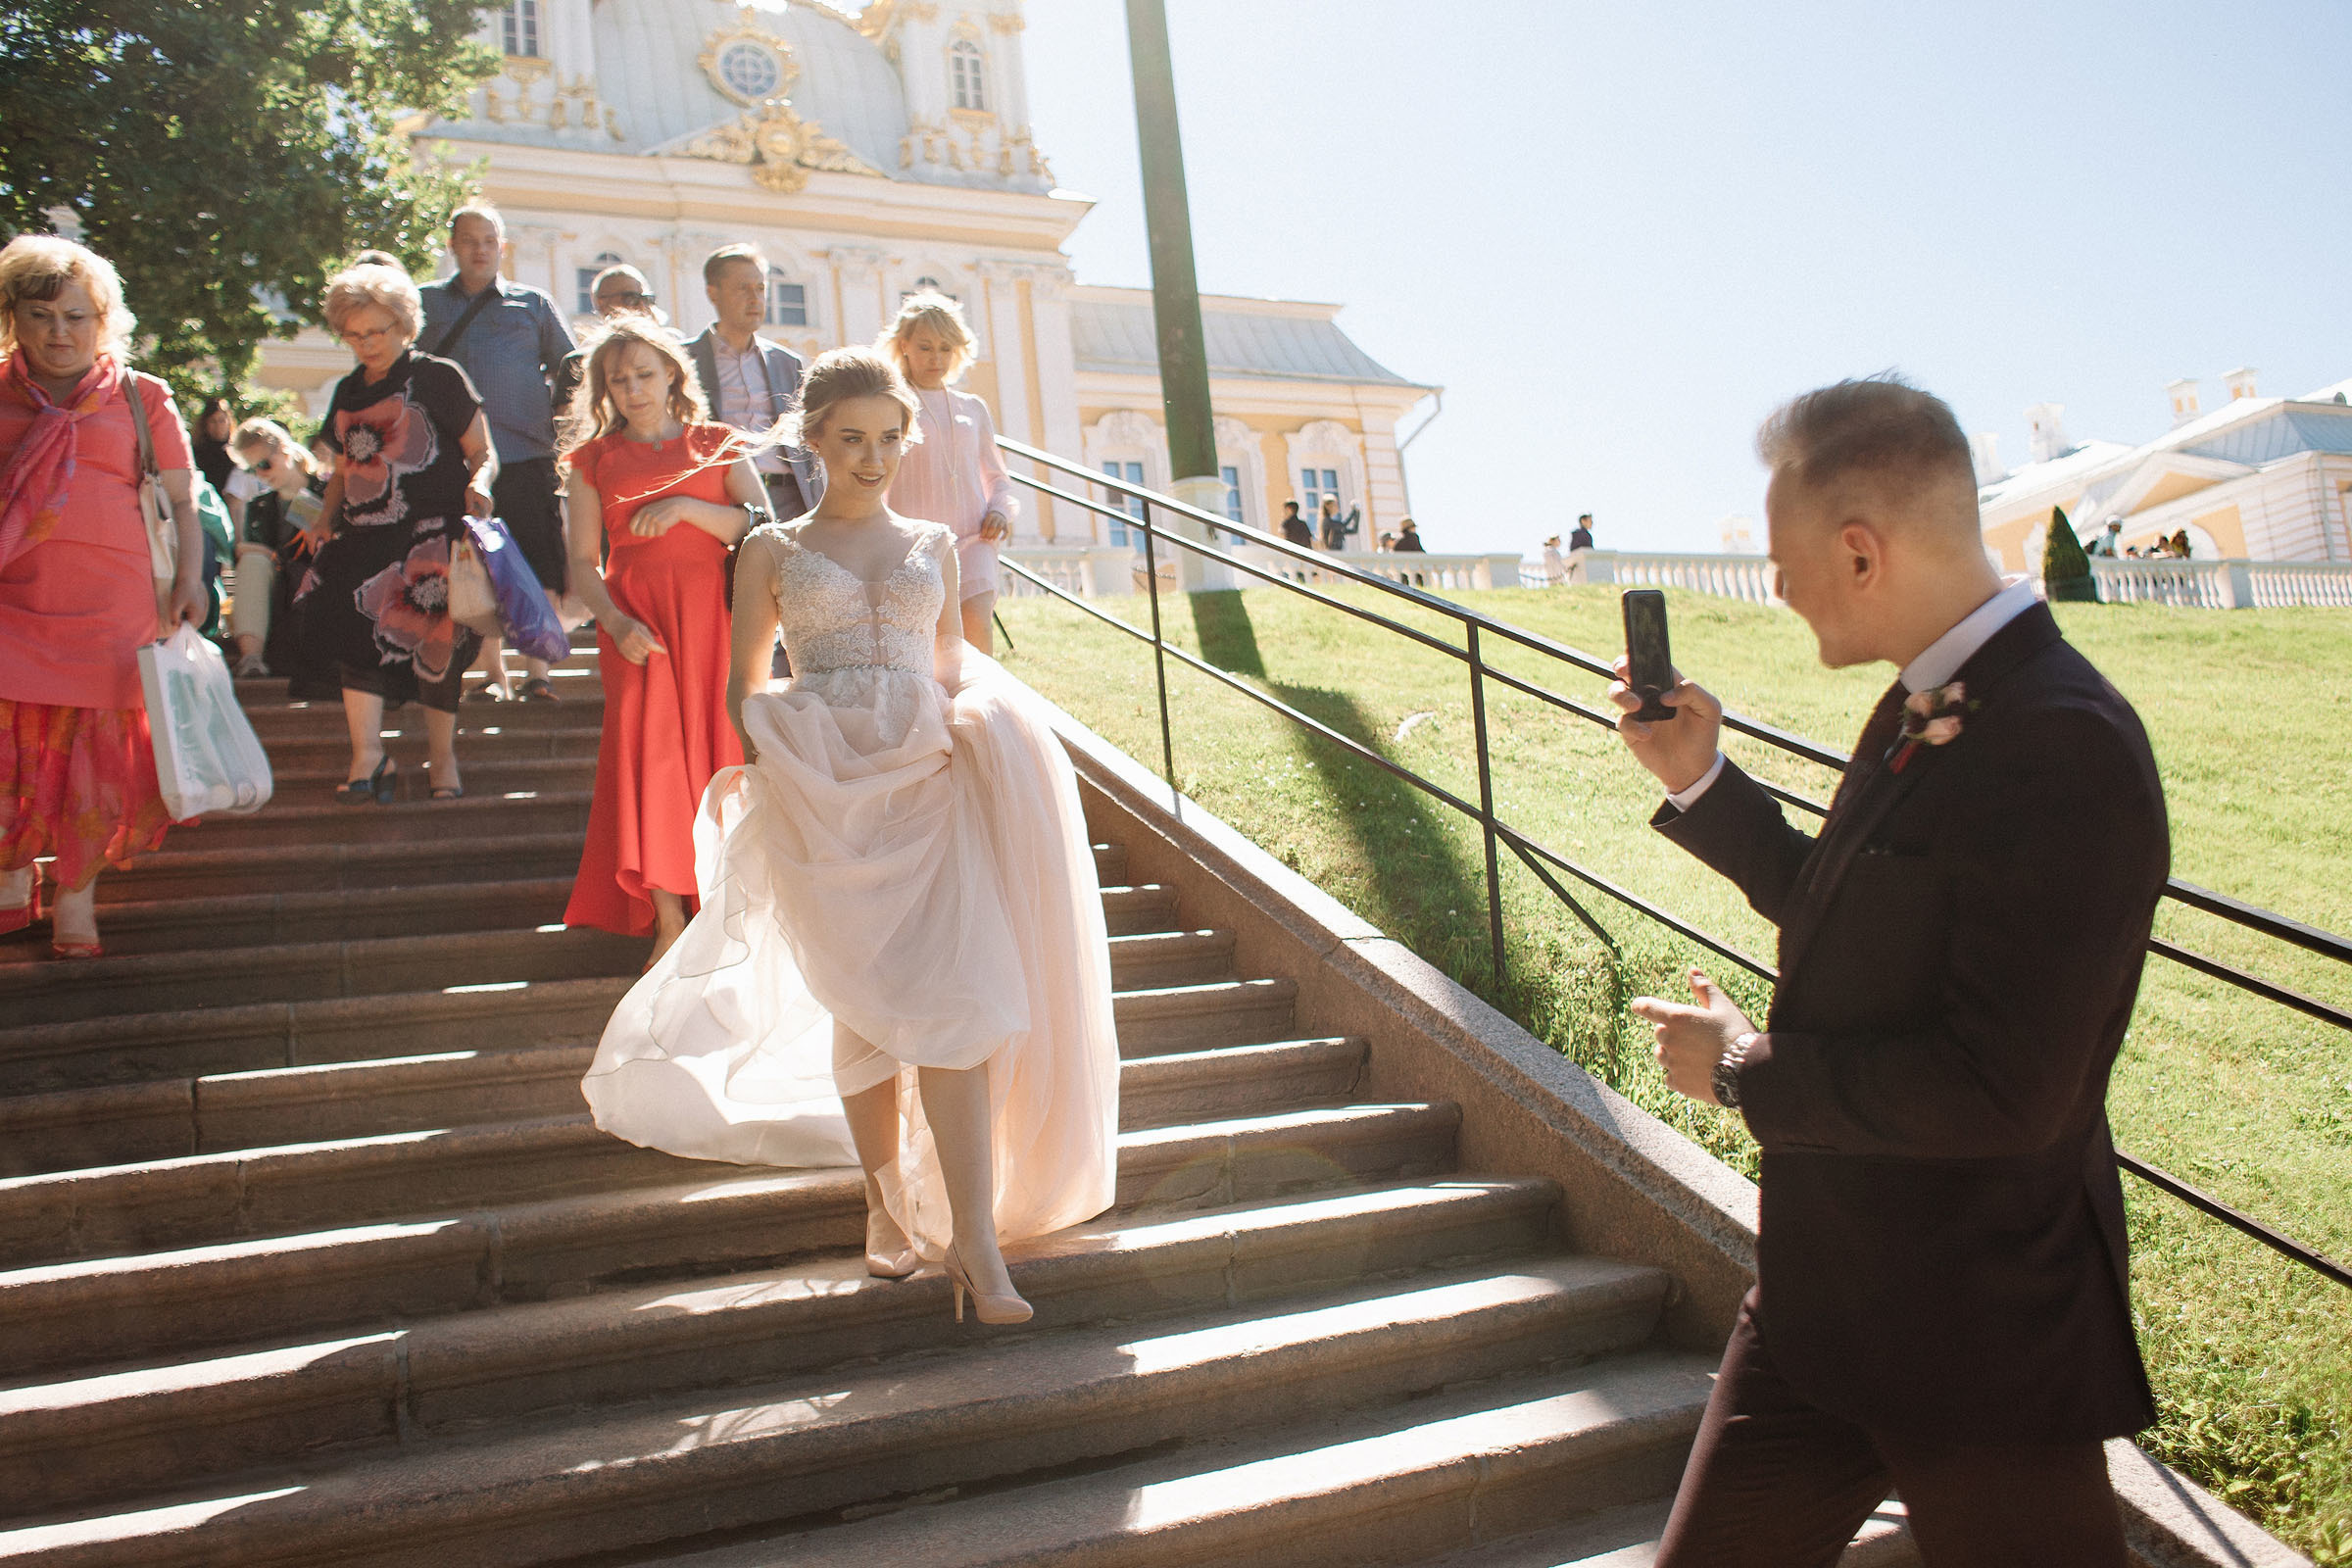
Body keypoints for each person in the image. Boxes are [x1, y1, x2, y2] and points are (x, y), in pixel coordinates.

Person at [1611, 376, 2166, 1568]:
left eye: (1782, 560)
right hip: (1819, 1316)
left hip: (1976, 1336)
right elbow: (1857, 908)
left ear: (1860, 552)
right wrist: (1698, 780)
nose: (1776, 586)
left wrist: (1745, 1070)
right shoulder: (1921, 701)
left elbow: (2005, 1089)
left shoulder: (2066, 740)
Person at [584, 346, 1119, 1328]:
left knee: (959, 998)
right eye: (852, 440)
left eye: (889, 439)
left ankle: (975, 1241)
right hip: (823, 790)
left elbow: (949, 661)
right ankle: (882, 1202)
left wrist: (985, 727)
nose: (874, 459)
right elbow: (746, 686)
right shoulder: (771, 549)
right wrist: (787, 766)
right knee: (864, 1006)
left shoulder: (933, 543)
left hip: (929, 783)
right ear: (815, 441)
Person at [0, 235, 204, 957]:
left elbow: (184, 503)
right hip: (12, 606)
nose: (59, 332)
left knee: (93, 763)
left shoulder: (143, 397)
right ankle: (12, 874)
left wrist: (191, 579)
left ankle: (75, 896)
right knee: (11, 754)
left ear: (104, 320)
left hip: (114, 612)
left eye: (76, 316)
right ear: (15, 318)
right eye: (41, 315)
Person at [559, 318, 763, 965]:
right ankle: (669, 919)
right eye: (619, 379)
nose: (634, 389)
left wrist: (685, 508)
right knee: (651, 761)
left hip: (715, 623)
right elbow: (582, 563)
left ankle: (726, 906)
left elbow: (762, 527)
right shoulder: (592, 461)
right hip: (637, 627)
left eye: (645, 374)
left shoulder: (718, 442)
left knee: (720, 752)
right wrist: (615, 624)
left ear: (672, 373)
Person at [296, 260, 496, 805]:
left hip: (433, 534)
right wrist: (323, 519)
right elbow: (344, 470)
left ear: (404, 323)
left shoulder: (439, 376)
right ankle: (368, 756)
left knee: (437, 648)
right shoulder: (347, 389)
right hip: (364, 535)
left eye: (377, 331)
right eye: (354, 335)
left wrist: (480, 484)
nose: (366, 344)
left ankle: (443, 757)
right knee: (355, 640)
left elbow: (482, 450)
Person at [418, 204, 575, 703]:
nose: (480, 249)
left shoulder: (533, 304)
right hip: (456, 461)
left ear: (502, 247)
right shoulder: (426, 303)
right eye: (469, 240)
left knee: (538, 561)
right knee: (475, 563)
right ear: (452, 247)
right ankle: (492, 673)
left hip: (527, 453)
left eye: (489, 240)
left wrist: (566, 431)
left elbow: (570, 369)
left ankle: (538, 671)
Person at [878, 292, 1018, 655]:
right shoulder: (889, 404)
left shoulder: (973, 408)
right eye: (925, 347)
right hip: (914, 543)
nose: (936, 359)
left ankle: (981, 695)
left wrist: (1000, 510)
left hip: (975, 539)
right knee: (929, 641)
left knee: (976, 622)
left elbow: (997, 478)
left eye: (945, 348)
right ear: (904, 345)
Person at [686, 243, 820, 523]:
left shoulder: (787, 362)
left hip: (790, 499)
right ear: (713, 293)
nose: (755, 298)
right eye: (742, 288)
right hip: (722, 499)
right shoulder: (684, 360)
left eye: (760, 288)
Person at [225, 416, 329, 685]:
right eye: (252, 470)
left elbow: (318, 547)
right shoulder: (261, 505)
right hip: (279, 591)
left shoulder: (326, 490)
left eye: (264, 464)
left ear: (284, 451)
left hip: (320, 586)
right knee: (252, 561)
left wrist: (271, 553)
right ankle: (251, 658)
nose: (261, 475)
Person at [552, 262, 666, 418]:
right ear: (601, 302)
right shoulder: (578, 363)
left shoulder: (665, 355)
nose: (641, 305)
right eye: (631, 298)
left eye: (646, 298)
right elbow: (567, 425)